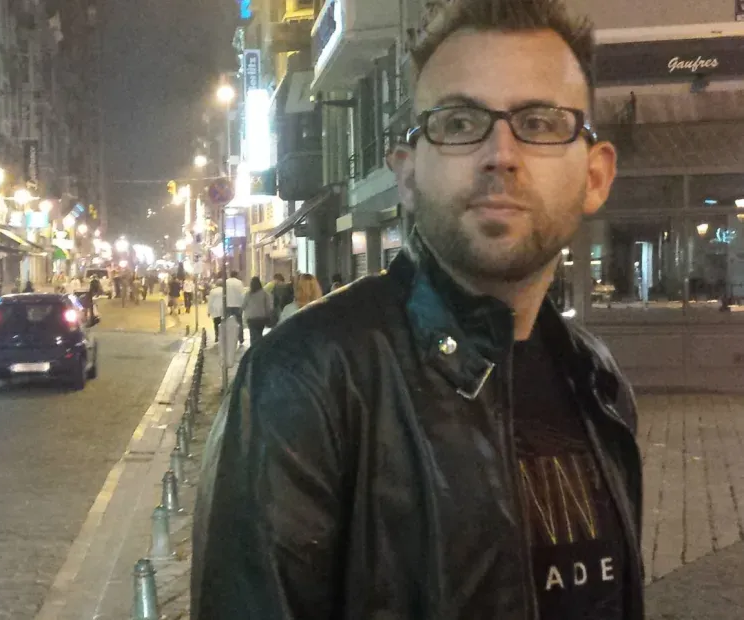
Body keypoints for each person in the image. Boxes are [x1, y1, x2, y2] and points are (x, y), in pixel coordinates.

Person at [192, 1, 643, 619]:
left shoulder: (599, 382)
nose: (500, 154)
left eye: (540, 122)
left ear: (595, 175)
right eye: (459, 123)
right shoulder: (303, 383)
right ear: (406, 175)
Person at [241, 276, 272, 347]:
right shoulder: (264, 293)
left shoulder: (248, 294)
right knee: (259, 334)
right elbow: (268, 306)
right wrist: (268, 315)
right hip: (261, 317)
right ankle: (259, 347)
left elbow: (243, 305)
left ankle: (253, 349)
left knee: (253, 335)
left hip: (251, 318)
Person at [225, 271, 246, 345]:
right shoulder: (239, 282)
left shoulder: (226, 282)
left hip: (228, 305)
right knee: (239, 322)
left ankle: (231, 338)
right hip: (238, 305)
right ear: (236, 275)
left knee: (229, 322)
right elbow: (242, 294)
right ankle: (240, 338)